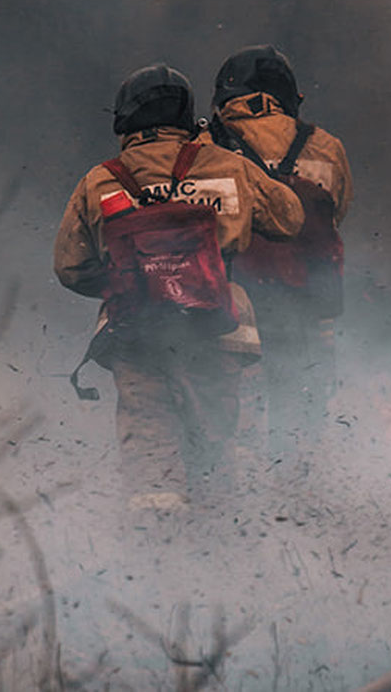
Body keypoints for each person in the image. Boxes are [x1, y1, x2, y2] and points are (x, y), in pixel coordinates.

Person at [53, 63, 304, 511]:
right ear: (188, 116)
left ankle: (161, 552)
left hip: (136, 332)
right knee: (227, 437)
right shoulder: (229, 166)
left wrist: (135, 280)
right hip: (222, 328)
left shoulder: (100, 181)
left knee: (150, 442)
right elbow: (290, 218)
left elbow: (70, 267)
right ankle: (236, 537)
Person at [208, 45, 353, 460]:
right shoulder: (327, 148)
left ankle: (241, 512)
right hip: (306, 302)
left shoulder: (203, 146)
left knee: (238, 419)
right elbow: (337, 211)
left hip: (230, 305)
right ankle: (298, 509)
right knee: (302, 418)